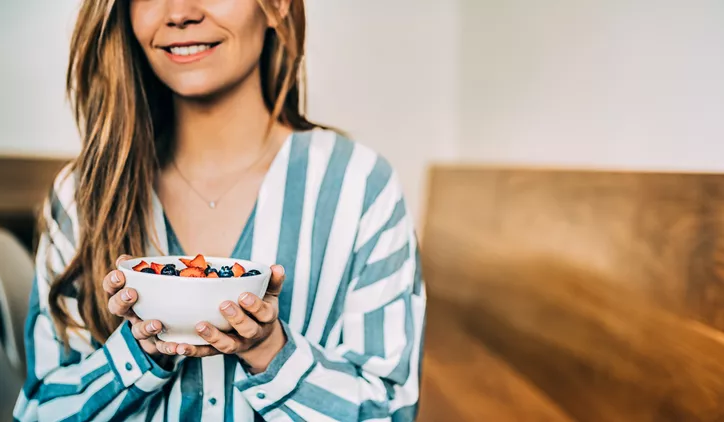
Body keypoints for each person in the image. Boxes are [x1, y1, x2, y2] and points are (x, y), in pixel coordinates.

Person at [13, 0, 426, 420]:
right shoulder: (82, 194)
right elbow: (40, 409)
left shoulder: (361, 188)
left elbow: (390, 411)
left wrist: (271, 352)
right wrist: (138, 353)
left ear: (277, 6)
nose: (179, 13)